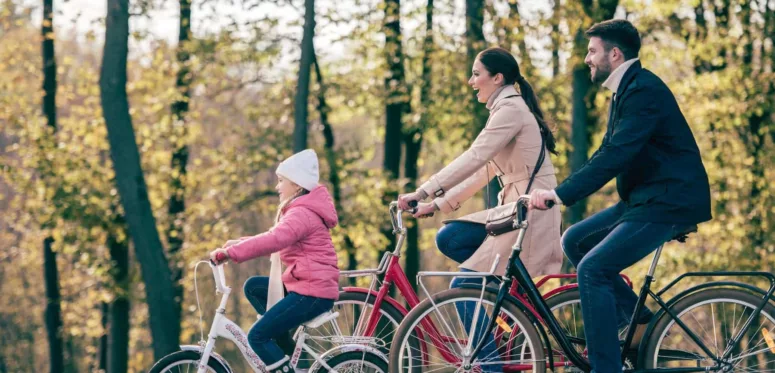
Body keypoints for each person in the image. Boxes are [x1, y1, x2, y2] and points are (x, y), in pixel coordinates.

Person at [529, 19, 712, 373]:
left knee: (593, 269)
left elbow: (617, 156)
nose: (587, 59)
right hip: (642, 199)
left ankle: (605, 367)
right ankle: (641, 320)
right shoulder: (625, 90)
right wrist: (559, 193)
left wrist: (558, 194)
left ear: (615, 54)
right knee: (575, 240)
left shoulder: (643, 90)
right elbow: (606, 151)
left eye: (592, 51)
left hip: (666, 201)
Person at [398, 46, 563, 371]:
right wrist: (437, 204)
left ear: (497, 77)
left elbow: (475, 156)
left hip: (530, 214)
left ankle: (489, 366)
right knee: (450, 237)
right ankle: (502, 304)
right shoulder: (506, 109)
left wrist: (423, 189)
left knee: (462, 287)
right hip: (514, 212)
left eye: (476, 74)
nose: (471, 81)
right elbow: (484, 170)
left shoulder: (511, 110)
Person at [210, 149, 340, 373]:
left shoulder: (301, 213)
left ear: (297, 185)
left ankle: (281, 361)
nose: (277, 187)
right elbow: (276, 238)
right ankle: (284, 346)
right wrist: (236, 245)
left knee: (257, 337)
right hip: (306, 286)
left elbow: (275, 239)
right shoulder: (301, 210)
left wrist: (231, 254)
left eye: (281, 181)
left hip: (311, 293)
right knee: (254, 287)